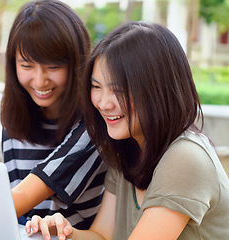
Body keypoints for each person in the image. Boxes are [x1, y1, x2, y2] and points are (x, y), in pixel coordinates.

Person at [25, 21, 229, 240]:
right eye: (96, 87)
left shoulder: (185, 158)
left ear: (158, 91)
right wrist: (64, 233)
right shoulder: (128, 147)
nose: (104, 103)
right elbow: (102, 236)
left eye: (118, 90)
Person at [0, 0, 107, 230]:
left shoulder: (96, 121)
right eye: (27, 66)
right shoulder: (15, 120)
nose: (40, 81)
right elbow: (18, 212)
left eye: (53, 67)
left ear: (76, 63)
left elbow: (26, 195)